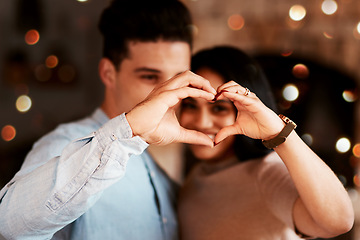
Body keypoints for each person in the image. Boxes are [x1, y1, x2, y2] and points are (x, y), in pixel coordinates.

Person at [0, 1, 218, 239]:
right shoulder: (63, 145)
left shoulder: (152, 165)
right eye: (149, 76)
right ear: (108, 73)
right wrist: (129, 130)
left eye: (177, 78)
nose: (166, 94)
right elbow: (7, 225)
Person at [178, 46, 354, 239]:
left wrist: (278, 132)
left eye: (219, 108)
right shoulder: (197, 176)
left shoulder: (267, 173)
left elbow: (338, 222)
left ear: (242, 111)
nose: (201, 122)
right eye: (190, 105)